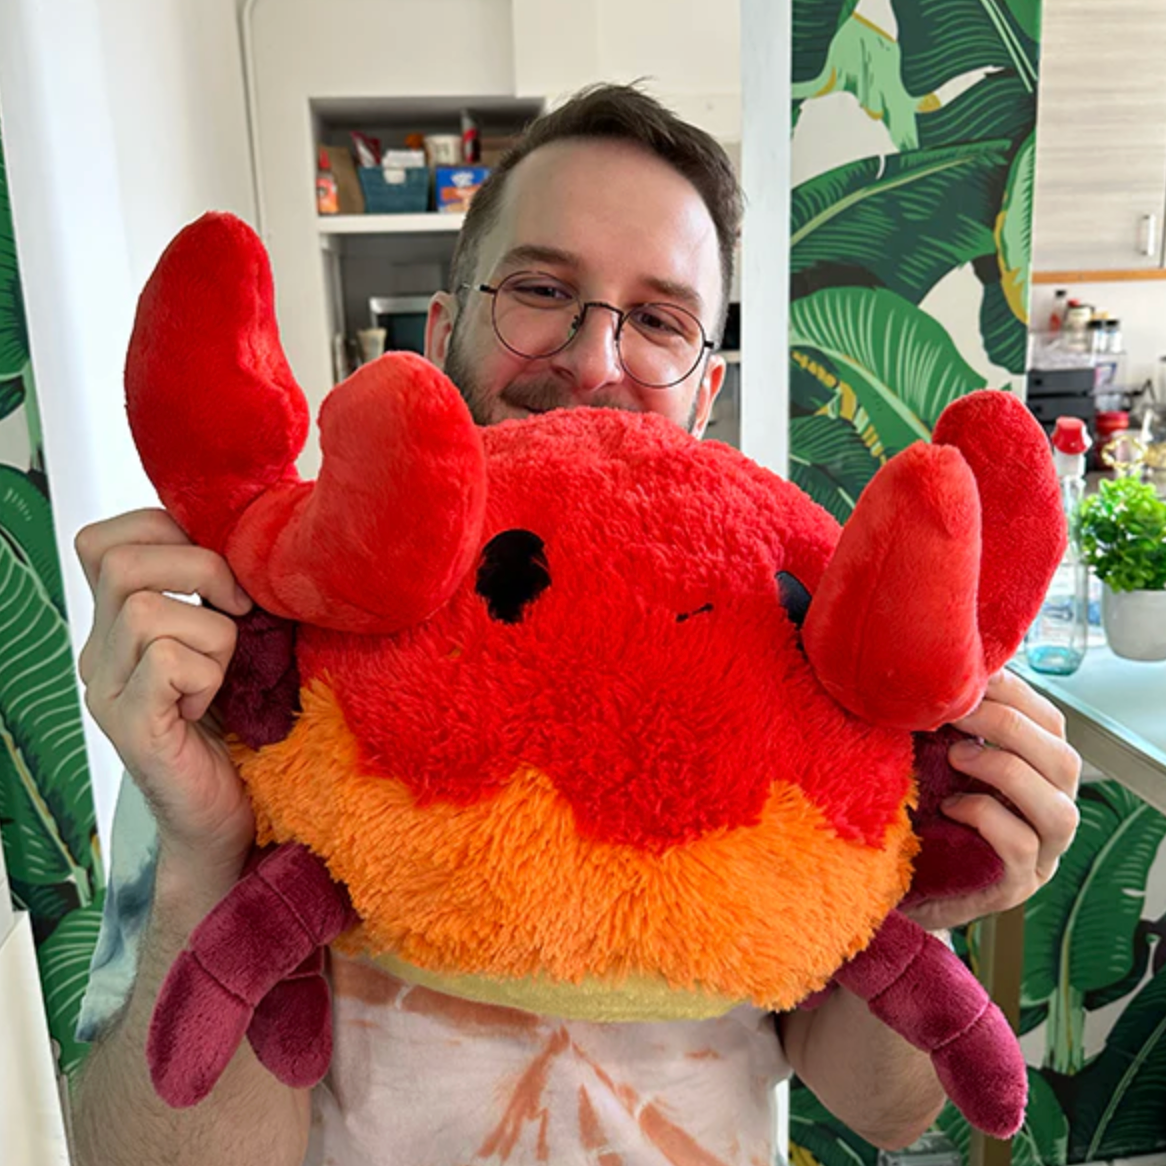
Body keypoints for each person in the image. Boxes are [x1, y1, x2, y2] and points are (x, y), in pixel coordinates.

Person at [70, 84, 1082, 1166]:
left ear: (706, 392)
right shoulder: (274, 658)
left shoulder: (798, 638)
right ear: (443, 332)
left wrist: (918, 894)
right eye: (543, 290)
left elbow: (882, 1108)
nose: (594, 361)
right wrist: (204, 849)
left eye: (659, 320)